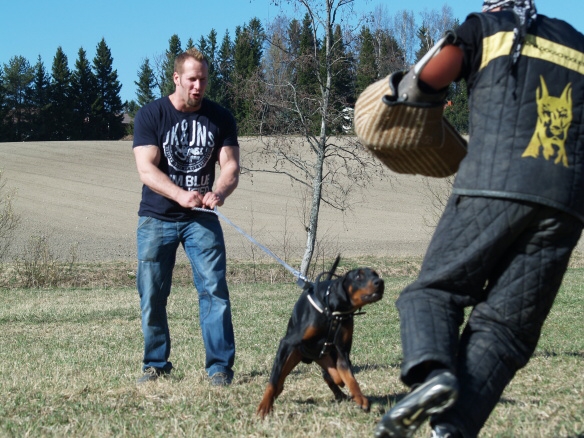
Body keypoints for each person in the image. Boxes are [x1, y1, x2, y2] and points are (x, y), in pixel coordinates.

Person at [373, 1, 584, 437]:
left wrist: (397, 91)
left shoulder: (487, 28)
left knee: (433, 292)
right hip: (566, 202)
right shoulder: (578, 44)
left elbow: (425, 80)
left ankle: (433, 376)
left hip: (494, 182)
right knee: (507, 330)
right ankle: (450, 430)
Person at [132, 47, 240, 387]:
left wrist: (218, 192)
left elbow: (231, 166)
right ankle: (155, 364)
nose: (198, 86)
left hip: (202, 219)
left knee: (214, 291)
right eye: (192, 79)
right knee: (152, 292)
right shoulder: (151, 115)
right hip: (157, 217)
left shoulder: (220, 117)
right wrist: (180, 194)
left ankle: (219, 368)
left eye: (203, 80)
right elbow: (146, 169)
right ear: (177, 78)